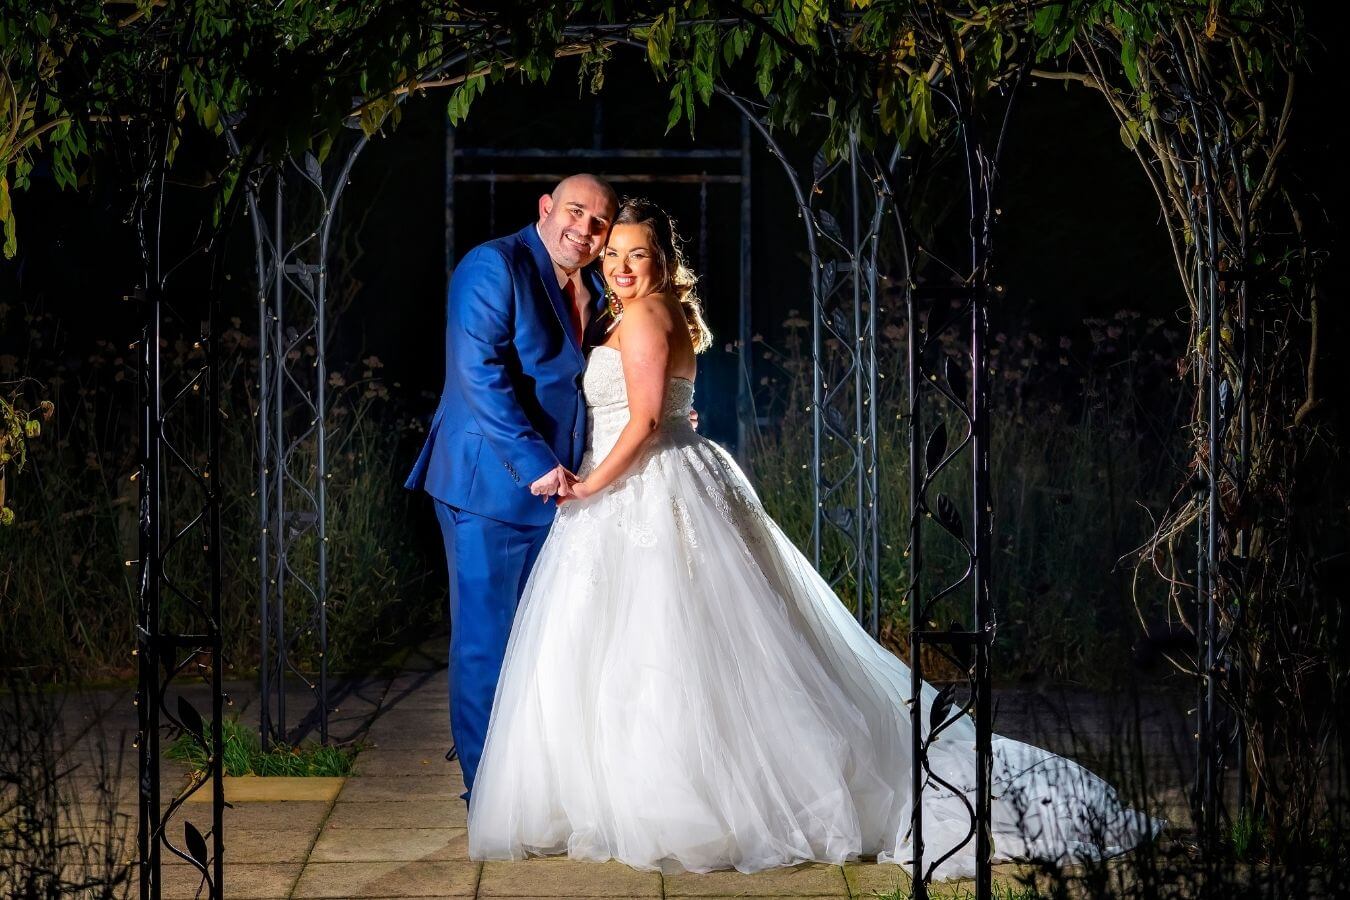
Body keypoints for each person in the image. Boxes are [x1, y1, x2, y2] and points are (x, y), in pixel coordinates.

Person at [466, 198, 1163, 879]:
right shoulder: (651, 311)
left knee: (656, 638)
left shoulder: (646, 316)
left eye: (636, 254)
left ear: (662, 260)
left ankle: (682, 797)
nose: (620, 266)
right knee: (667, 638)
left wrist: (589, 486)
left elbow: (646, 421)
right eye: (613, 254)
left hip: (642, 483)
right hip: (662, 476)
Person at [405, 174, 619, 801]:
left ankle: (534, 783)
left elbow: (588, 380)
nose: (583, 230)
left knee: (544, 642)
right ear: (546, 208)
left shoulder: (596, 286)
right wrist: (535, 462)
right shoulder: (493, 266)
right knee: (488, 642)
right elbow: (479, 372)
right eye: (574, 212)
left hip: (564, 492)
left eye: (599, 223)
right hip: (490, 488)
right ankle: (487, 795)